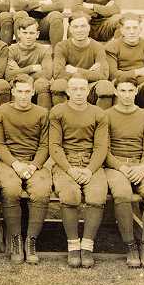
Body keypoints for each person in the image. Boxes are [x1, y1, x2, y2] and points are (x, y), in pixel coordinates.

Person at [49, 75, 108, 268]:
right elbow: (55, 146)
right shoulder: (58, 112)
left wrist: (90, 170)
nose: (78, 93)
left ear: (88, 91)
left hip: (91, 162)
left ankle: (87, 246)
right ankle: (73, 245)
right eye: (74, 89)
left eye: (82, 89)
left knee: (97, 195)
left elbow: (100, 147)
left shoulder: (98, 113)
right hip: (66, 161)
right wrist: (69, 169)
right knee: (70, 195)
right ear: (67, 91)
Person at [105, 76, 144, 269]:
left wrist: (142, 168)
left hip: (140, 165)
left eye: (131, 91)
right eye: (122, 91)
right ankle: (130, 245)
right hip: (116, 166)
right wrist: (121, 167)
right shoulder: (106, 115)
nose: (127, 95)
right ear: (116, 92)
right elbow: (103, 150)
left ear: (136, 91)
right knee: (122, 194)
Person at [0, 74, 51, 264]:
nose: (24, 96)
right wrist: (16, 164)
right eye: (20, 91)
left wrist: (34, 165)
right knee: (10, 190)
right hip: (10, 162)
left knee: (42, 192)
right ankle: (16, 239)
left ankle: (31, 240)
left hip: (34, 162)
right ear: (13, 92)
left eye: (28, 92)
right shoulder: (2, 111)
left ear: (34, 92)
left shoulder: (42, 113)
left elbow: (45, 146)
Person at [105, 13, 144, 123]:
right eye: (128, 28)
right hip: (120, 89)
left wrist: (127, 79)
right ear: (122, 30)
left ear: (140, 29)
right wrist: (136, 72)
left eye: (135, 28)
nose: (132, 32)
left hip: (141, 90)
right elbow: (112, 74)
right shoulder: (112, 47)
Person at [51, 12, 114, 109]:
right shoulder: (61, 46)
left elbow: (104, 75)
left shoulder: (98, 47)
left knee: (105, 86)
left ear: (89, 28)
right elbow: (58, 74)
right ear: (70, 29)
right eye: (75, 27)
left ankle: (101, 120)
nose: (79, 30)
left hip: (90, 86)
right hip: (70, 86)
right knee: (58, 84)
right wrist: (89, 73)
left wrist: (76, 71)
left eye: (83, 26)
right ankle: (61, 117)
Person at [5, 17, 53, 110]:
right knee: (14, 84)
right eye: (25, 33)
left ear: (37, 34)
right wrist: (31, 68)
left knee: (42, 83)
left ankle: (44, 119)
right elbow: (7, 75)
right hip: (18, 84)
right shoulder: (11, 50)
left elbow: (47, 74)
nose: (28, 36)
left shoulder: (44, 50)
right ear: (19, 33)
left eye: (31, 33)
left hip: (35, 85)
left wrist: (18, 70)